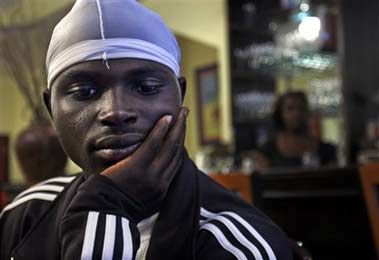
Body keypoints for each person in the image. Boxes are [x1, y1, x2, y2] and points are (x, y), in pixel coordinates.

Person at [0, 1, 292, 259]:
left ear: (179, 97)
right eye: (84, 91)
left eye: (146, 88)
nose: (116, 111)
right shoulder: (27, 214)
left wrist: (103, 206)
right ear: (51, 108)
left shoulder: (236, 245)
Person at [256, 91, 337, 169]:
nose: (297, 113)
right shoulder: (268, 151)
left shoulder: (326, 149)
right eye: (290, 109)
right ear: (280, 113)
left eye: (301, 108)